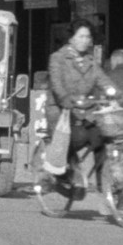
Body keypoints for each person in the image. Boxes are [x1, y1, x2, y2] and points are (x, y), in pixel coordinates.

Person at [40, 23, 102, 178]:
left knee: (99, 136)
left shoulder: (90, 60)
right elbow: (56, 83)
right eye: (81, 36)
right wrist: (64, 98)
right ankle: (56, 174)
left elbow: (102, 79)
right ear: (71, 39)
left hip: (82, 108)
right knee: (73, 139)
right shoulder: (57, 58)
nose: (84, 40)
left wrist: (117, 93)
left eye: (87, 37)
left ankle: (105, 183)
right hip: (59, 109)